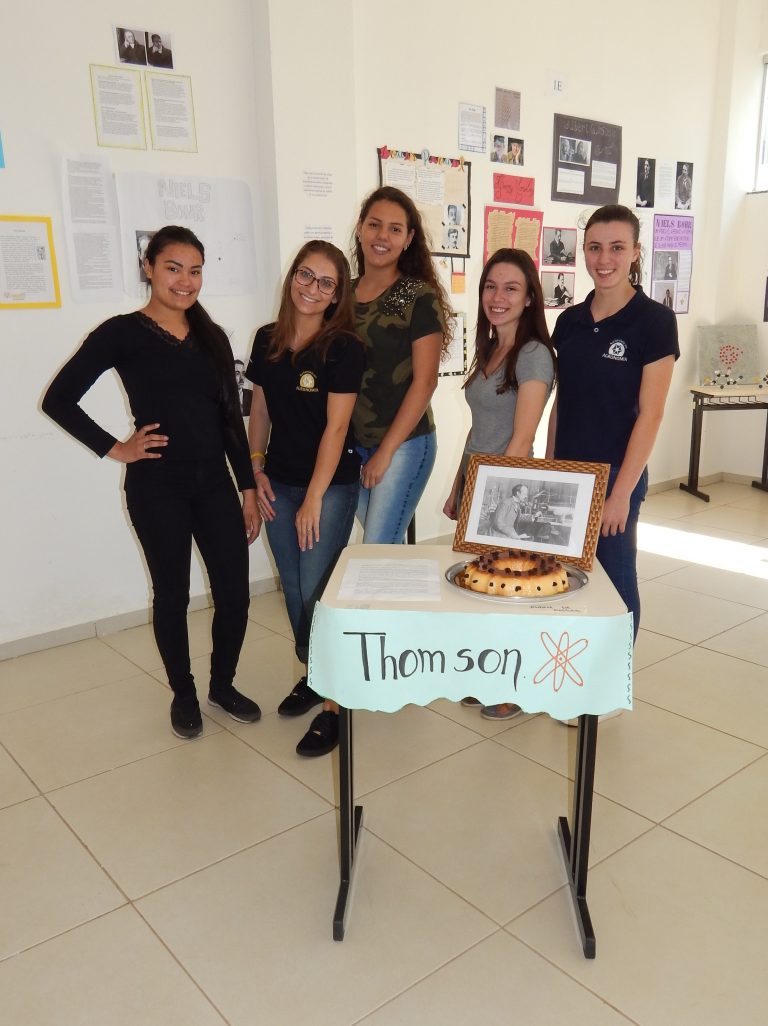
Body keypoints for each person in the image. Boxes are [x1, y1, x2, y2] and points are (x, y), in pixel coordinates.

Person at [42, 226, 261, 740]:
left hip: (214, 484)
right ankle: (184, 694)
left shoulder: (212, 336)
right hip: (157, 486)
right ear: (149, 268)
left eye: (195, 271)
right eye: (173, 268)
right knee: (172, 595)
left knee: (235, 594)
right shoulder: (122, 332)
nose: (185, 281)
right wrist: (117, 447)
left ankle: (222, 685)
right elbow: (59, 399)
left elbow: (231, 420)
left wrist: (248, 488)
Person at [245, 242, 364, 758]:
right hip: (278, 482)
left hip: (328, 486)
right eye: (305, 275)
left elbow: (337, 429)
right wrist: (255, 468)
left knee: (318, 593)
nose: (312, 288)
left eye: (326, 282)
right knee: (293, 591)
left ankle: (335, 706)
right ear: (292, 276)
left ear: (337, 295)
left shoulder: (344, 349)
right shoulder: (267, 339)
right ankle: (317, 673)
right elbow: (260, 411)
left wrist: (314, 498)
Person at [546, 204, 678, 653]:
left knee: (616, 581)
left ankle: (612, 676)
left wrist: (620, 494)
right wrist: (550, 466)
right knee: (564, 577)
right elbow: (563, 401)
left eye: (617, 248)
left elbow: (651, 415)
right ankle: (568, 665)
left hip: (616, 476)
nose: (604, 259)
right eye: (595, 247)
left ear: (636, 252)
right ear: (583, 250)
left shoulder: (655, 322)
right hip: (568, 474)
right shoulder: (569, 321)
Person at [444, 247, 556, 720]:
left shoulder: (533, 355)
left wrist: (490, 505)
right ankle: (490, 675)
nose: (497, 297)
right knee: (483, 585)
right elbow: (479, 431)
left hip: (506, 488)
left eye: (511, 288)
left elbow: (521, 439)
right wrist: (459, 486)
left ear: (529, 298)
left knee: (509, 587)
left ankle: (514, 687)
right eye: (491, 287)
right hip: (477, 479)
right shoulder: (490, 348)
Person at [352, 185, 453, 543]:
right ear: (360, 229)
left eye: (395, 229)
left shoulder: (417, 296)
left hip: (404, 444)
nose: (382, 236)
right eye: (374, 225)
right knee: (386, 548)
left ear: (408, 239)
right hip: (352, 445)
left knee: (378, 547)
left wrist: (386, 452)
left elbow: (426, 382)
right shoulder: (342, 294)